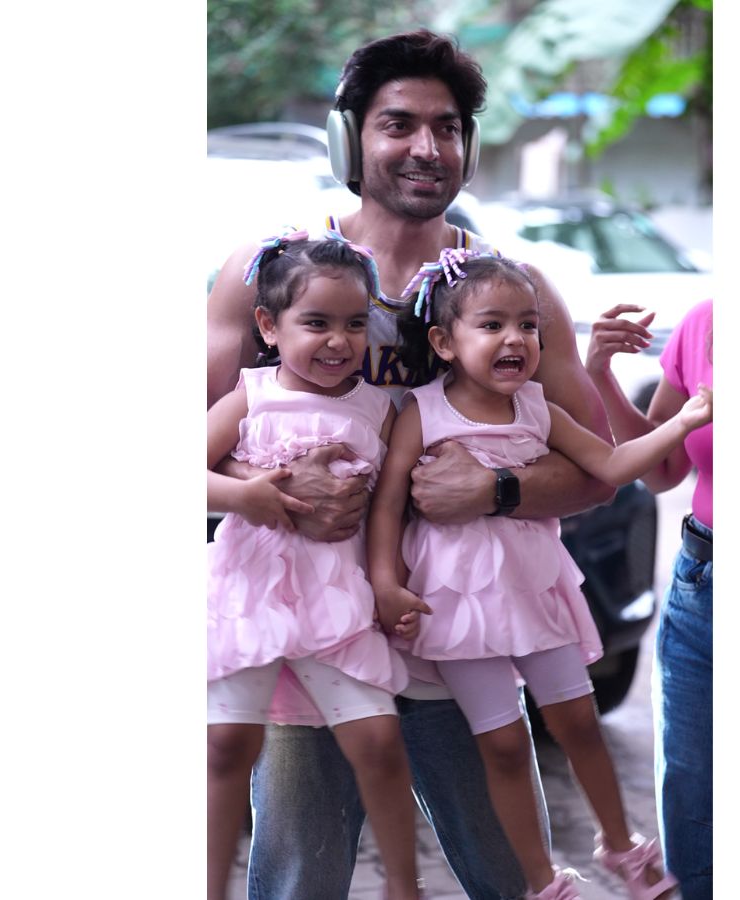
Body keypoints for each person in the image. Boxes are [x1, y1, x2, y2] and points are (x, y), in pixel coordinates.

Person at [205, 29, 616, 900]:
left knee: (512, 875)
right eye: (399, 124)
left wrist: (496, 488)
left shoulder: (512, 294)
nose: (428, 146)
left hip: (457, 629)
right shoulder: (267, 275)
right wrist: (268, 495)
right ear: (347, 138)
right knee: (299, 878)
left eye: (448, 127)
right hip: (313, 632)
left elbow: (596, 469)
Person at [367, 251, 710, 900]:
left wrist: (683, 424)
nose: (515, 339)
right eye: (492, 325)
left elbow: (612, 468)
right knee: (501, 744)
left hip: (534, 587)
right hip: (456, 602)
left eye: (528, 325)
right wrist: (386, 583)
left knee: (578, 721)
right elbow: (387, 505)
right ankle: (541, 879)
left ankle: (621, 845)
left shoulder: (538, 408)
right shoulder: (421, 412)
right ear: (444, 342)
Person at [206, 234, 426, 900]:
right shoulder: (251, 395)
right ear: (269, 326)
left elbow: (387, 509)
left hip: (336, 599)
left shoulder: (380, 410)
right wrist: (244, 495)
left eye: (355, 324)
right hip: (251, 594)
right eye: (317, 323)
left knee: (378, 742)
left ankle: (404, 886)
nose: (338, 341)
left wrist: (387, 583)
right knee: (226, 746)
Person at [583, 299, 714, 900]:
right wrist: (602, 374)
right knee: (691, 793)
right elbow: (662, 469)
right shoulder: (705, 321)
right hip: (702, 584)